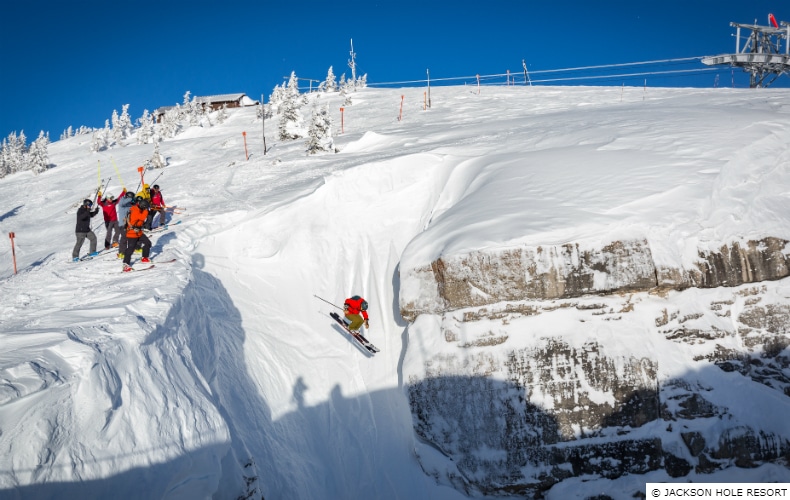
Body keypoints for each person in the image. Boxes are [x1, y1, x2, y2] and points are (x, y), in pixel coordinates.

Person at [122, 198, 152, 272]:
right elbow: (142, 217)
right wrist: (146, 210)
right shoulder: (135, 211)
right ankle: (125, 264)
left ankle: (145, 257)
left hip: (138, 232)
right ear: (143, 206)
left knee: (147, 243)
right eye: (145, 208)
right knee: (130, 249)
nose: (146, 209)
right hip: (132, 233)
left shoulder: (138, 209)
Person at [116, 190, 135, 259]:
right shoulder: (122, 202)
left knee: (132, 236)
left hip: (129, 224)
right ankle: (121, 252)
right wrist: (130, 198)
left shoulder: (129, 204)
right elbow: (121, 203)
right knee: (124, 238)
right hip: (123, 224)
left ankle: (134, 248)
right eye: (131, 198)